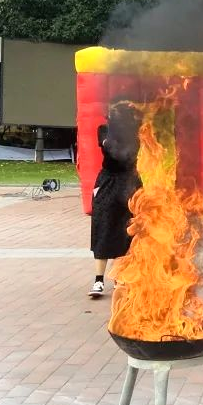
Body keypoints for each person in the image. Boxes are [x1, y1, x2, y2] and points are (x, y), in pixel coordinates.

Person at [89, 102, 141, 298]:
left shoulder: (137, 133)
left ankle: (121, 277)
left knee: (127, 230)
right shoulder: (104, 131)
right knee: (102, 228)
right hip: (108, 182)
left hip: (130, 182)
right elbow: (110, 147)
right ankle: (98, 280)